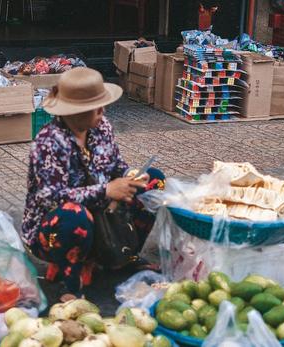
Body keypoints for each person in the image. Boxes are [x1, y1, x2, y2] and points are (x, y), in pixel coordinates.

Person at [22, 67, 165, 298]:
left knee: (154, 182)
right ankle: (69, 286)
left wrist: (131, 174)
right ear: (76, 111)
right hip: (52, 231)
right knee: (73, 216)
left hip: (103, 215)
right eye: (96, 107)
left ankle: (124, 257)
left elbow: (117, 165)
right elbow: (50, 197)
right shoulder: (48, 142)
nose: (103, 110)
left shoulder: (102, 127)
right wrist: (106, 190)